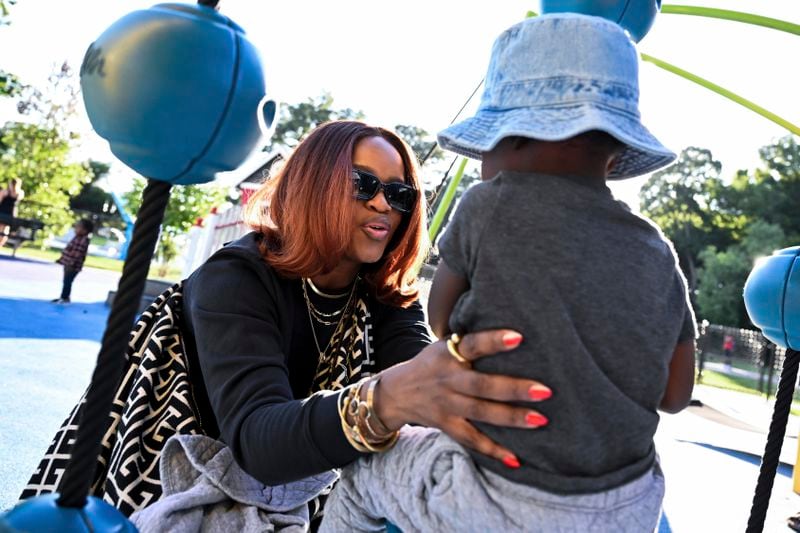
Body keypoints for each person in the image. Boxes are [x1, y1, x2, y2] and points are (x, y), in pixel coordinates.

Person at [320, 14, 697, 532]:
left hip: (494, 494)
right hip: (626, 509)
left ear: (513, 140)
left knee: (360, 481)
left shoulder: (489, 205)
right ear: (613, 157)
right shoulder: (658, 250)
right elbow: (675, 395)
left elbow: (442, 319)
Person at [175, 120, 553, 527]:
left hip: (307, 506)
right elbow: (258, 442)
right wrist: (386, 399)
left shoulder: (384, 297)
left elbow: (424, 382)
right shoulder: (236, 278)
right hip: (184, 492)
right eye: (363, 184)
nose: (383, 205)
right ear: (313, 184)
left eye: (398, 193)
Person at [52, 218, 93, 304]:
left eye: (78, 227)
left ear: (85, 230)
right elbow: (69, 250)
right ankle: (63, 296)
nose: (75, 228)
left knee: (67, 281)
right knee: (66, 281)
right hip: (68, 263)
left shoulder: (82, 240)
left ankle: (65, 297)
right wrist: (61, 259)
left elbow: (77, 253)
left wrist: (71, 263)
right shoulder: (77, 237)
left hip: (72, 266)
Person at [0, 177, 25, 248]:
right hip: (8, 213)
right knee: (4, 230)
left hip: (6, 213)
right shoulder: (18, 193)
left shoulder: (6, 191)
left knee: (4, 230)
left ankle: (1, 244)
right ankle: (1, 244)